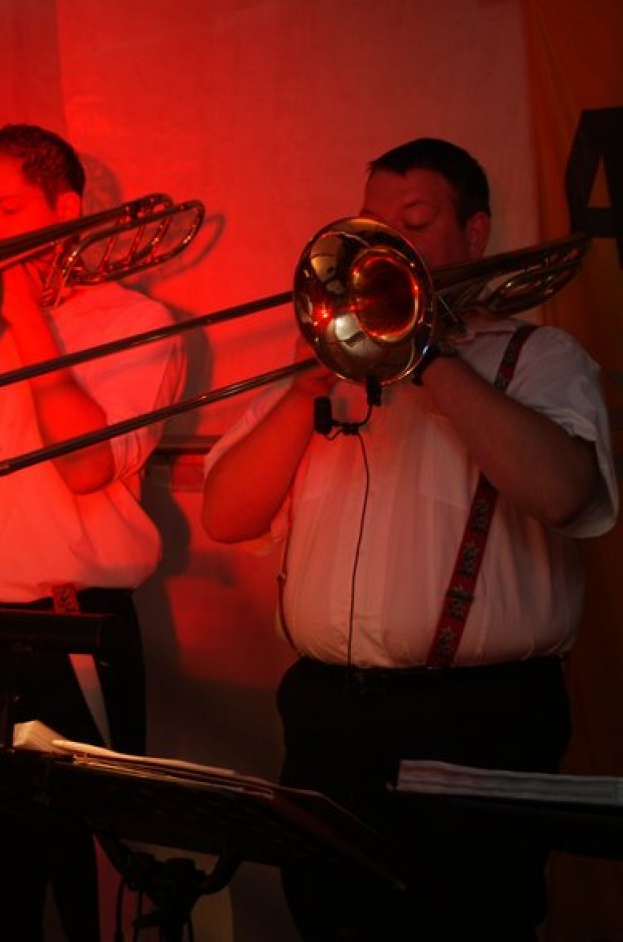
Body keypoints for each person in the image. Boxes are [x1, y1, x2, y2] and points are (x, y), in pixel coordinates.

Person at [201, 138, 618, 941]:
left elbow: (565, 494)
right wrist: (304, 385)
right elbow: (226, 516)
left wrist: (430, 360)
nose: (387, 245)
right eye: (373, 225)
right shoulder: (327, 370)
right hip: (325, 713)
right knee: (330, 922)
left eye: (416, 223)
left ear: (473, 233)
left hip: (474, 721)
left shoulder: (537, 356)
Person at [0, 123, 185, 942]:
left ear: (67, 210)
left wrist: (26, 323)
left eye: (7, 210)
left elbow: (84, 469)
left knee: (93, 892)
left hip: (71, 629)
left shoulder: (135, 321)